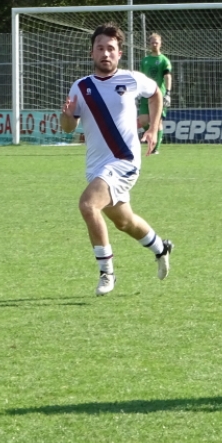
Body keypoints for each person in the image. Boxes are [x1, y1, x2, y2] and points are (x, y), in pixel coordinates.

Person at [61, 24, 173, 296]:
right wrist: (65, 115)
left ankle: (106, 273)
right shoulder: (81, 87)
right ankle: (161, 247)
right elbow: (67, 127)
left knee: (88, 206)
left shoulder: (132, 79)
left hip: (124, 161)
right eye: (100, 48)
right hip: (96, 166)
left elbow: (156, 93)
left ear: (119, 53)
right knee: (124, 222)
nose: (105, 53)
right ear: (92, 53)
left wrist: (154, 129)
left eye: (111, 49)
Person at [138, 32, 173, 155]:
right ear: (149, 44)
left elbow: (168, 76)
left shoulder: (164, 60)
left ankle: (155, 148)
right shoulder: (145, 60)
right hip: (144, 93)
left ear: (160, 44)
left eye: (156, 42)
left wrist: (168, 93)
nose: (154, 44)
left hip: (158, 94)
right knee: (142, 121)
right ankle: (150, 135)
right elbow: (141, 77)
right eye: (152, 42)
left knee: (157, 122)